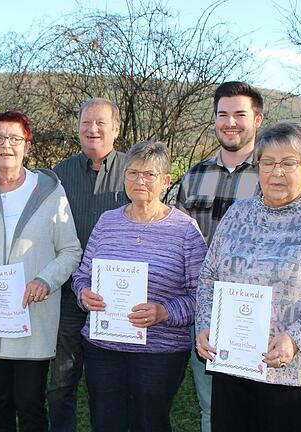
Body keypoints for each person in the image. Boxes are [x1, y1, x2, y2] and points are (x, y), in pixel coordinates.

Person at [195, 121, 301, 432]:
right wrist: (204, 324)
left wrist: (296, 339)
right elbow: (208, 276)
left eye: (288, 163)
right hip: (232, 364)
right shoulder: (238, 214)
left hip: (291, 374)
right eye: (268, 163)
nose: (276, 172)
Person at [0, 111, 82, 432]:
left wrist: (45, 280)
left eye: (14, 138)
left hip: (31, 316)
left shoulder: (49, 193)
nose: (6, 145)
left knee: (30, 403)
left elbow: (71, 250)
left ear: (26, 145)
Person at [73, 141, 207, 432]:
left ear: (166, 181)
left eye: (149, 174)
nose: (140, 181)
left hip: (159, 351)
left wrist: (165, 311)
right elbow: (82, 275)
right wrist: (83, 294)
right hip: (103, 346)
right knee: (105, 421)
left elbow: (203, 296)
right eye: (132, 173)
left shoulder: (185, 230)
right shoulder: (107, 222)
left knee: (149, 423)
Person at [175, 81, 264, 432]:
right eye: (223, 114)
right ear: (213, 119)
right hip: (207, 312)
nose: (231, 122)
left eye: (240, 114)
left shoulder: (271, 174)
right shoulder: (195, 176)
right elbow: (178, 241)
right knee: (212, 408)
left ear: (257, 119)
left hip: (257, 315)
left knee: (259, 410)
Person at [48, 98, 129, 431]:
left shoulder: (133, 171)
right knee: (61, 380)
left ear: (116, 129)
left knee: (108, 386)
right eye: (86, 123)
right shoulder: (60, 174)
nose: (92, 129)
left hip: (118, 298)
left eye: (101, 123)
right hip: (69, 293)